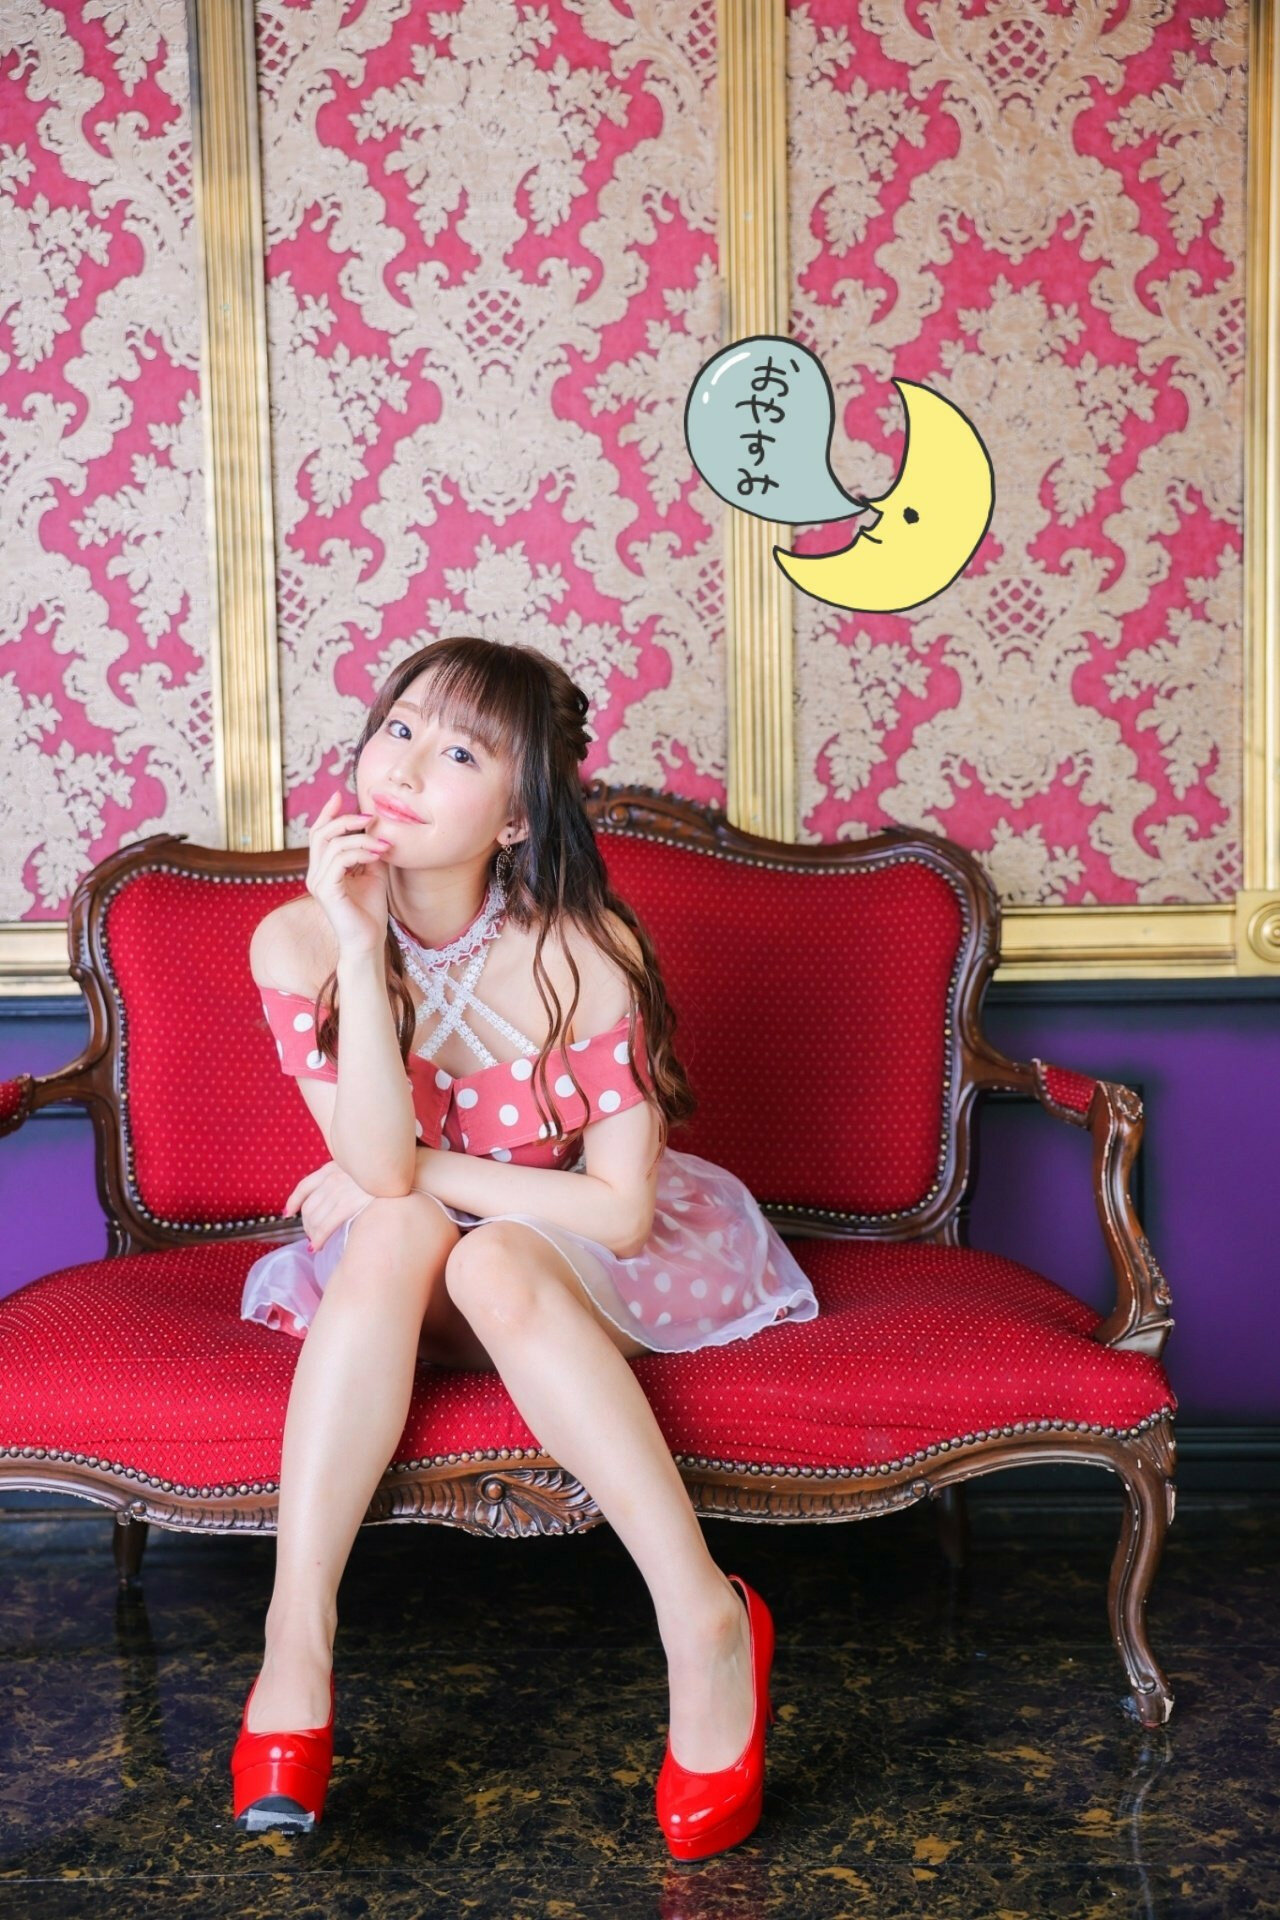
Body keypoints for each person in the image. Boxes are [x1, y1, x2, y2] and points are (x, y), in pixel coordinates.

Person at [229, 635, 819, 1859]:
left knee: (482, 1249)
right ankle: (295, 1641)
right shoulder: (297, 942)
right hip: (399, 1278)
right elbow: (383, 1180)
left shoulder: (585, 952)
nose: (404, 768)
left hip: (571, 1265)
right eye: (398, 729)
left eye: (459, 753)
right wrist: (357, 946)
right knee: (402, 1225)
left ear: (513, 817)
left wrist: (402, 1172)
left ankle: (705, 1620)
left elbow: (615, 1212)